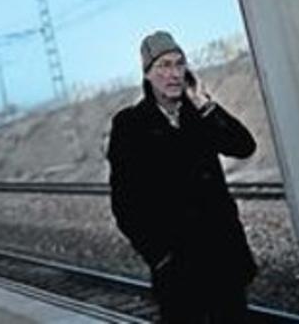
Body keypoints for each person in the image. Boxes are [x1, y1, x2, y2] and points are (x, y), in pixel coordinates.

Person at [107, 30, 258, 323]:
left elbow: (244, 146)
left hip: (224, 256)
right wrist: (160, 256)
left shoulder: (198, 113)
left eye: (179, 64)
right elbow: (124, 203)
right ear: (148, 73)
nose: (174, 73)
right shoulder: (130, 125)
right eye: (164, 65)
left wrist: (205, 103)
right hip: (178, 269)